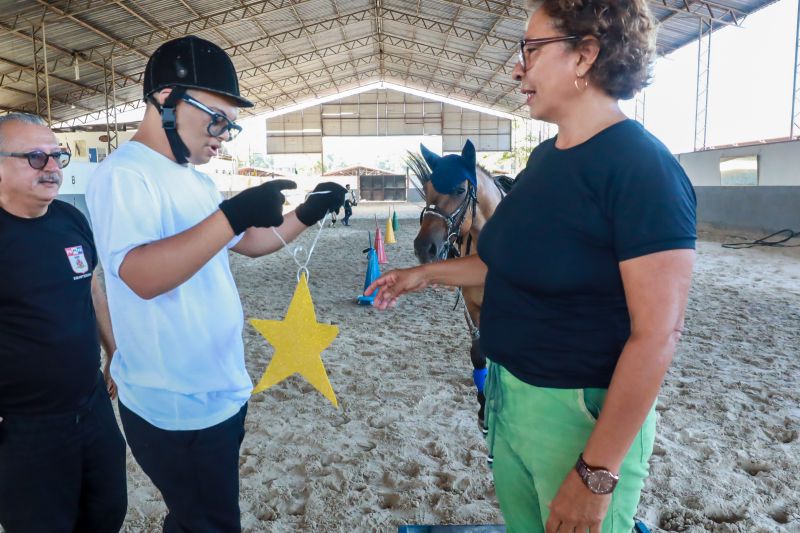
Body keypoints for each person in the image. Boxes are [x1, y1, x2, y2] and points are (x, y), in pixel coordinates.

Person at [365, 1, 696, 532]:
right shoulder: (544, 161)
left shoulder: (642, 169)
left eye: (532, 49)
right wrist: (420, 275)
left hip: (579, 419)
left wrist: (596, 473)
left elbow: (658, 335)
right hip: (509, 397)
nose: (518, 68)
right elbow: (501, 264)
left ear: (586, 55)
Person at [86, 36, 344, 532]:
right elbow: (140, 276)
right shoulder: (124, 175)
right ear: (166, 99)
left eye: (230, 123)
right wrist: (229, 216)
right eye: (217, 118)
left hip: (217, 388)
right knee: (209, 522)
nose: (224, 134)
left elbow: (247, 242)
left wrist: (307, 213)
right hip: (175, 402)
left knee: (197, 518)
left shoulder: (195, 178)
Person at [0, 113, 127, 532]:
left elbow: (92, 289)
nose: (53, 167)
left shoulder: (70, 220)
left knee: (108, 511)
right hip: (23, 427)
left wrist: (113, 351)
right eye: (36, 157)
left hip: (91, 407)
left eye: (58, 155)